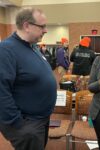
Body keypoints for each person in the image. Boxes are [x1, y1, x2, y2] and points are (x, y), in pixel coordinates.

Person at [0, 7, 57, 150]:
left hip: (40, 119)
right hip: (26, 124)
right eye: (42, 26)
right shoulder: (6, 50)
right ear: (26, 26)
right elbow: (1, 91)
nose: (45, 30)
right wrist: (18, 124)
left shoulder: (32, 47)